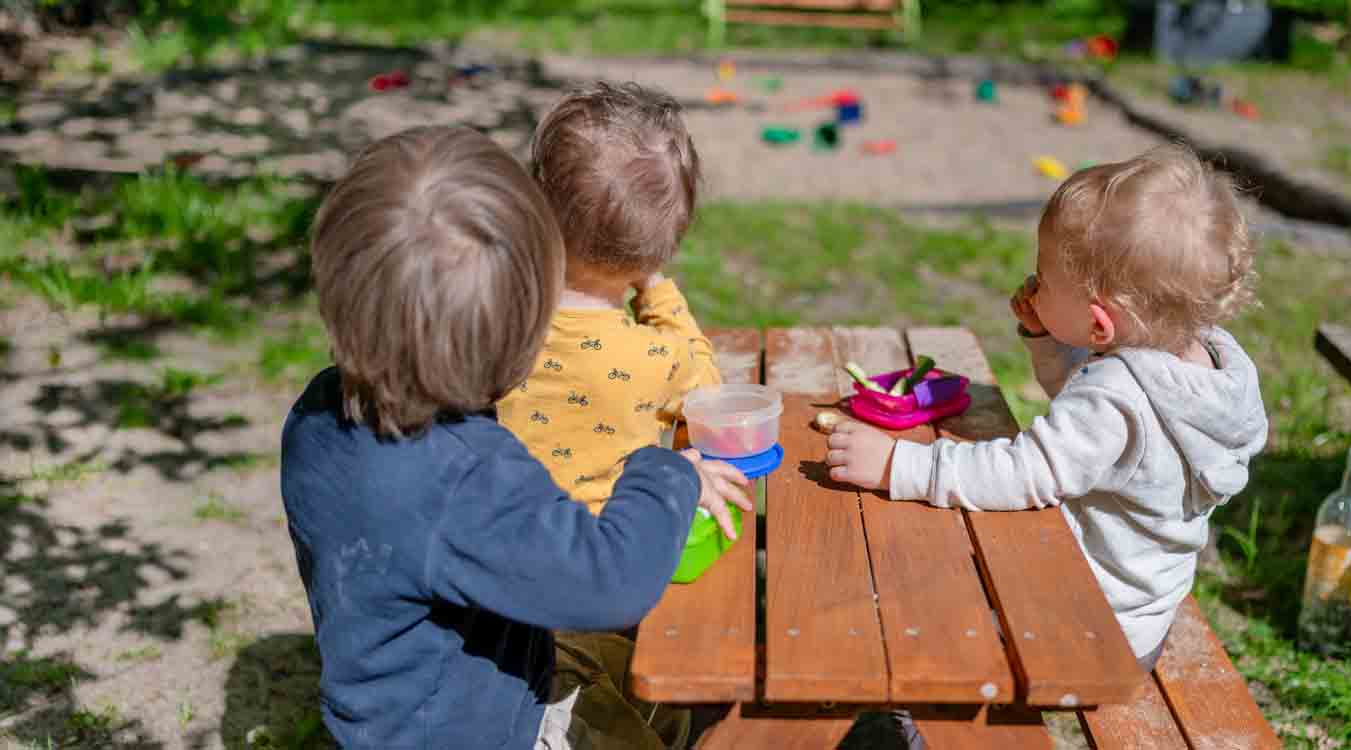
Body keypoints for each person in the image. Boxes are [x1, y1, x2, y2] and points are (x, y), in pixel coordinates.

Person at [280, 125, 749, 750]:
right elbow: (611, 582)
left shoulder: (316, 414)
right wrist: (665, 472)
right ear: (515, 340)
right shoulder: (465, 476)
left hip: (386, 713)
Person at [826, 144, 1269, 673]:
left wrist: (900, 465)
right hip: (1141, 618)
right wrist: (1048, 339)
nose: (1034, 284)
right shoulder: (1212, 366)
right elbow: (1096, 435)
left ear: (1100, 325)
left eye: (1046, 279)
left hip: (1081, 623)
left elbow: (1024, 472)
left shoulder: (1117, 394)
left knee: (911, 615)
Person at [498, 82, 723, 523]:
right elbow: (708, 393)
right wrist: (655, 291)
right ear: (659, 250)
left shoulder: (497, 321)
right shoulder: (656, 357)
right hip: (614, 546)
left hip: (506, 534)